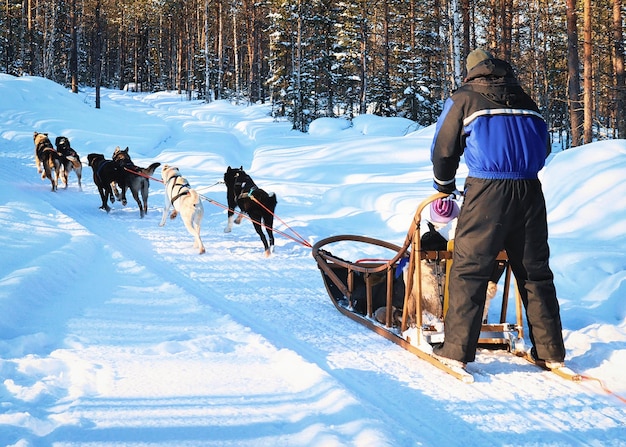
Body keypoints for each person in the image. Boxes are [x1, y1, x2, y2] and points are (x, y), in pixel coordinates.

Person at [429, 48, 566, 370]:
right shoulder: (527, 101)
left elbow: (444, 149)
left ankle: (456, 352)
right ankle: (551, 352)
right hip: (530, 190)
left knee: (469, 269)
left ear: (471, 71)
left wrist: (444, 187)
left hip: (487, 189)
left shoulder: (464, 98)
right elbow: (543, 147)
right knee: (535, 273)